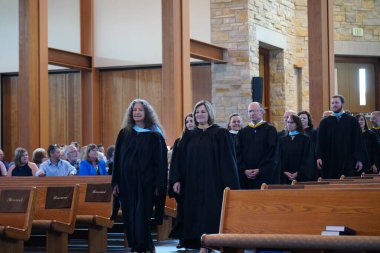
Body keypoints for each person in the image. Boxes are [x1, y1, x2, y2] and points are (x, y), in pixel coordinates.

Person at [171, 100, 240, 252]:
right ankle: (202, 244)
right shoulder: (189, 136)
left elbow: (228, 161)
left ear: (210, 113)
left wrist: (230, 185)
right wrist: (176, 179)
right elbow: (179, 160)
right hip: (193, 183)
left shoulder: (220, 133)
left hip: (213, 183)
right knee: (195, 213)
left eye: (203, 111)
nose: (199, 114)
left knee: (211, 213)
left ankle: (209, 244)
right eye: (197, 112)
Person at [112, 99, 167, 253]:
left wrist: (158, 184)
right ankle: (140, 245)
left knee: (142, 215)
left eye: (140, 110)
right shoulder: (124, 133)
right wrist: (115, 181)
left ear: (146, 113)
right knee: (130, 214)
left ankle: (142, 246)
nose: (136, 112)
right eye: (134, 110)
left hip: (146, 182)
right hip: (127, 182)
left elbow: (160, 163)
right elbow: (117, 159)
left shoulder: (155, 135)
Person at [316, 95, 364, 179]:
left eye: (337, 102)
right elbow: (320, 141)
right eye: (332, 103)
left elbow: (358, 141)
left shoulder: (352, 121)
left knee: (348, 184)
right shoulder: (325, 122)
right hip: (329, 160)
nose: (334, 105)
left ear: (342, 103)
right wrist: (319, 157)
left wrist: (359, 159)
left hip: (347, 159)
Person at [237, 102, 279, 189]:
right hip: (246, 177)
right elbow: (238, 153)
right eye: (250, 111)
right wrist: (244, 170)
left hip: (265, 176)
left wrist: (261, 170)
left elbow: (273, 153)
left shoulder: (270, 130)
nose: (252, 113)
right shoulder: (242, 132)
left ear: (262, 112)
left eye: (255, 111)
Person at [168, 113, 195, 249]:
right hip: (183, 181)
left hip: (196, 181)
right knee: (182, 211)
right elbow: (175, 163)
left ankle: (195, 239)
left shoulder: (200, 139)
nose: (189, 123)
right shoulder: (179, 141)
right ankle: (182, 238)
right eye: (187, 121)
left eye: (192, 121)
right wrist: (176, 180)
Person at [279, 115, 316, 183]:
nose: (289, 124)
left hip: (301, 176)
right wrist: (284, 171)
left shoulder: (305, 139)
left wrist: (298, 173)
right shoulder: (282, 140)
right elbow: (278, 157)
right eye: (288, 122)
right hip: (285, 176)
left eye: (292, 122)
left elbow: (308, 158)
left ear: (297, 124)